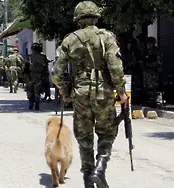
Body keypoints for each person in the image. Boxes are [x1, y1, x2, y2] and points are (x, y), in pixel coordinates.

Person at [52, 1, 128, 188]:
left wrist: (64, 90)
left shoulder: (70, 40)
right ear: (96, 17)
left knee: (84, 137)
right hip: (104, 93)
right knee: (107, 133)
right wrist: (122, 92)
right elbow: (115, 67)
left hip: (80, 94)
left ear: (78, 19)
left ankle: (88, 178)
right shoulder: (107, 37)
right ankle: (100, 169)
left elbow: (56, 73)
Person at [141, 36, 162, 108]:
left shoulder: (156, 51)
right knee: (146, 87)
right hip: (146, 72)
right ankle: (148, 101)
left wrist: (150, 65)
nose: (148, 45)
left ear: (153, 43)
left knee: (152, 87)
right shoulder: (146, 51)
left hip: (153, 72)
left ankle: (154, 102)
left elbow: (159, 62)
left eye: (150, 43)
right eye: (148, 43)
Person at [27, 43, 49, 110]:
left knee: (30, 90)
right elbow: (46, 66)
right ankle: (37, 104)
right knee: (38, 91)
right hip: (40, 76)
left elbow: (26, 66)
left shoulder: (30, 56)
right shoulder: (43, 56)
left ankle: (31, 103)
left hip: (31, 76)